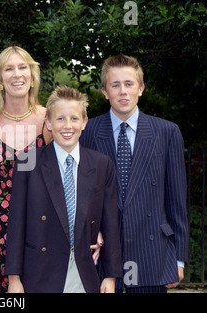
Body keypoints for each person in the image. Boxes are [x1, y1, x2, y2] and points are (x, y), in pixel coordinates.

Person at [79, 54, 189, 293]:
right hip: (102, 255)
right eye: (115, 85)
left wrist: (178, 259)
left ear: (141, 88)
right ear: (105, 91)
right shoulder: (87, 131)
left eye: (129, 84)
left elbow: (177, 201)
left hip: (153, 257)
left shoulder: (167, 132)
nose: (122, 92)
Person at [5, 85, 122, 293]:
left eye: (74, 119)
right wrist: (14, 279)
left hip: (84, 272)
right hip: (39, 274)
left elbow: (111, 223)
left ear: (84, 122)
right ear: (48, 123)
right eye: (60, 119)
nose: (67, 126)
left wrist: (111, 276)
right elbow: (16, 225)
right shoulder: (27, 161)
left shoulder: (102, 164)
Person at [0, 46, 52, 293]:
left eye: (23, 67)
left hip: (39, 228)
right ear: (0, 78)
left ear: (32, 75)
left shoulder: (49, 120)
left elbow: (59, 182)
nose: (17, 74)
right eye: (9, 68)